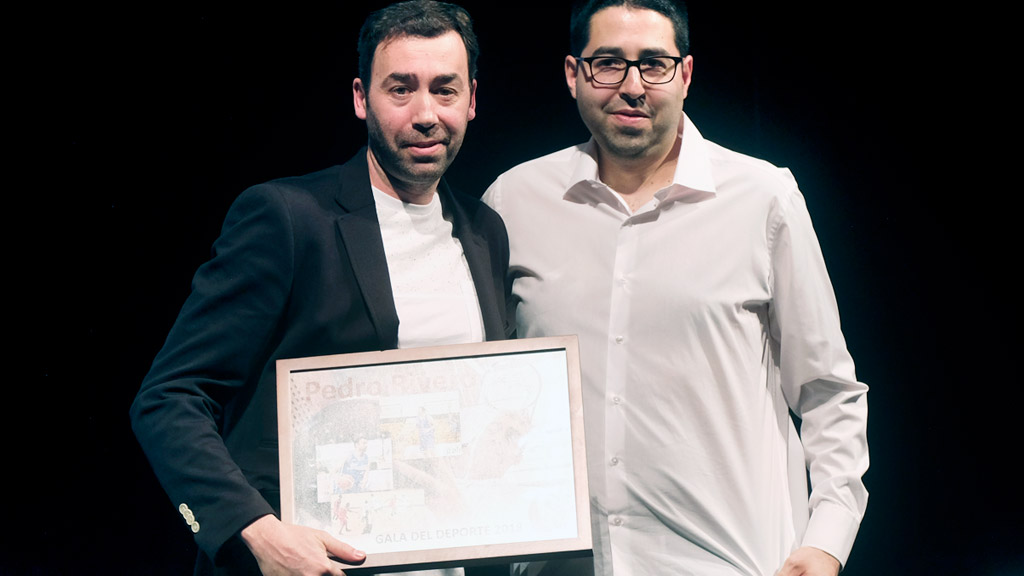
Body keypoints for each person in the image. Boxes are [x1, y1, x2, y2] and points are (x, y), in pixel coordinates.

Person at [483, 1, 869, 575]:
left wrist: (827, 541)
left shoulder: (764, 197)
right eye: (608, 63)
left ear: (685, 74)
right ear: (572, 75)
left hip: (727, 562)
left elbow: (827, 390)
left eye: (655, 64)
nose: (633, 86)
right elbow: (487, 389)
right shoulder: (514, 202)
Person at [130, 2, 513, 575]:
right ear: (362, 98)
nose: (426, 113)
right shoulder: (286, 218)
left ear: (472, 100)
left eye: (445, 90)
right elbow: (167, 399)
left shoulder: (485, 232)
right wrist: (252, 531)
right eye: (401, 89)